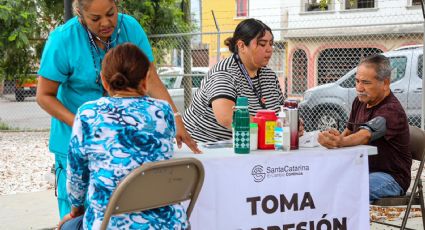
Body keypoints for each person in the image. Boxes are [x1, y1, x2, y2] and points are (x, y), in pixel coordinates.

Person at [36, 0, 200, 220]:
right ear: (80, 14)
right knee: (79, 210)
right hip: (73, 136)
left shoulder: (130, 27)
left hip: (114, 136)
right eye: (95, 18)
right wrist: (84, 125)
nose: (106, 23)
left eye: (111, 13)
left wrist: (175, 116)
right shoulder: (63, 40)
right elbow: (44, 95)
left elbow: (150, 78)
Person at [58, 43, 189, 229]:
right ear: (146, 80)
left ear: (104, 81)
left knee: (67, 226)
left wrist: (76, 209)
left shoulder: (88, 114)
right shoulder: (163, 110)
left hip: (110, 223)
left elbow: (77, 175)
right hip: (167, 223)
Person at [183, 18, 300, 142]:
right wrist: (272, 126)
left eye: (271, 44)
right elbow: (226, 117)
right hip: (204, 146)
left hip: (249, 145)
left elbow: (279, 113)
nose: (269, 49)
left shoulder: (269, 76)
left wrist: (291, 124)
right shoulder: (224, 73)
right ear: (242, 46)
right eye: (262, 44)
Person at [317, 54, 411, 202]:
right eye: (357, 81)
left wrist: (340, 142)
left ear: (385, 83)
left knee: (346, 191)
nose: (359, 88)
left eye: (366, 82)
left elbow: (366, 134)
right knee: (321, 182)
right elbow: (348, 132)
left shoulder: (392, 110)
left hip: (391, 177)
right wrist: (337, 138)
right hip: (362, 170)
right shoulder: (359, 101)